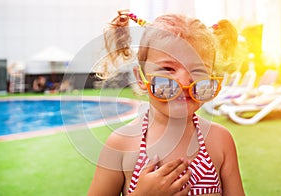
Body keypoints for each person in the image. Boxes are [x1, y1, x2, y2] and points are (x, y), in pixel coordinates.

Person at [88, 10, 245, 195]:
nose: (184, 82)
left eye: (198, 70)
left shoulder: (220, 140)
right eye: (168, 69)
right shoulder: (121, 144)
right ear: (141, 78)